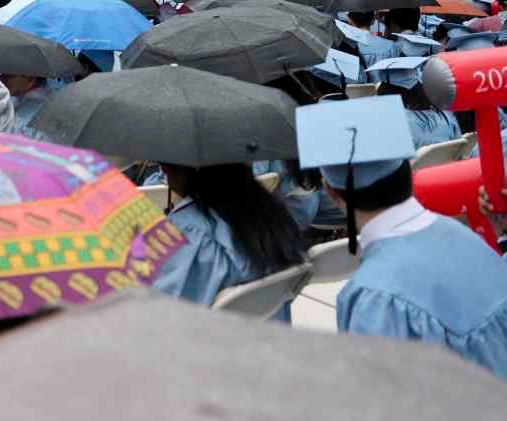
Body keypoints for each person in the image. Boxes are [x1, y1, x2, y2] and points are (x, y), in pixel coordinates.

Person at [300, 97, 507, 377]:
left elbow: (385, 396)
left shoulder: (375, 297)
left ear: (332, 193)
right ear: (409, 170)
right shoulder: (467, 239)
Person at [152, 162, 306, 314]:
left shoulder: (188, 229)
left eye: (165, 164)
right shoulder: (276, 218)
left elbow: (157, 310)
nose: (163, 169)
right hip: (268, 326)